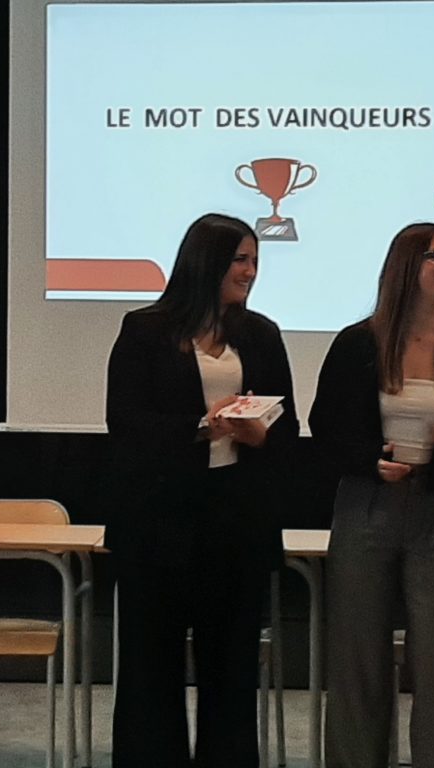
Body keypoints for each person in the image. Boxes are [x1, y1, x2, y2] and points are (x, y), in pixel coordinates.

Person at [105, 213, 298, 768]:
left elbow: (288, 425)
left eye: (255, 260)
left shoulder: (261, 334)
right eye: (240, 260)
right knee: (150, 670)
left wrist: (260, 434)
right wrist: (199, 426)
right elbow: (125, 422)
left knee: (231, 671)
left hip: (234, 521)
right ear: (206, 262)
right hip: (159, 526)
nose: (251, 271)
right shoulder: (145, 330)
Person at [310, 222, 434, 768]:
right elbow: (325, 428)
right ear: (406, 266)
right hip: (366, 505)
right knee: (358, 657)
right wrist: (370, 460)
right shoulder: (357, 344)